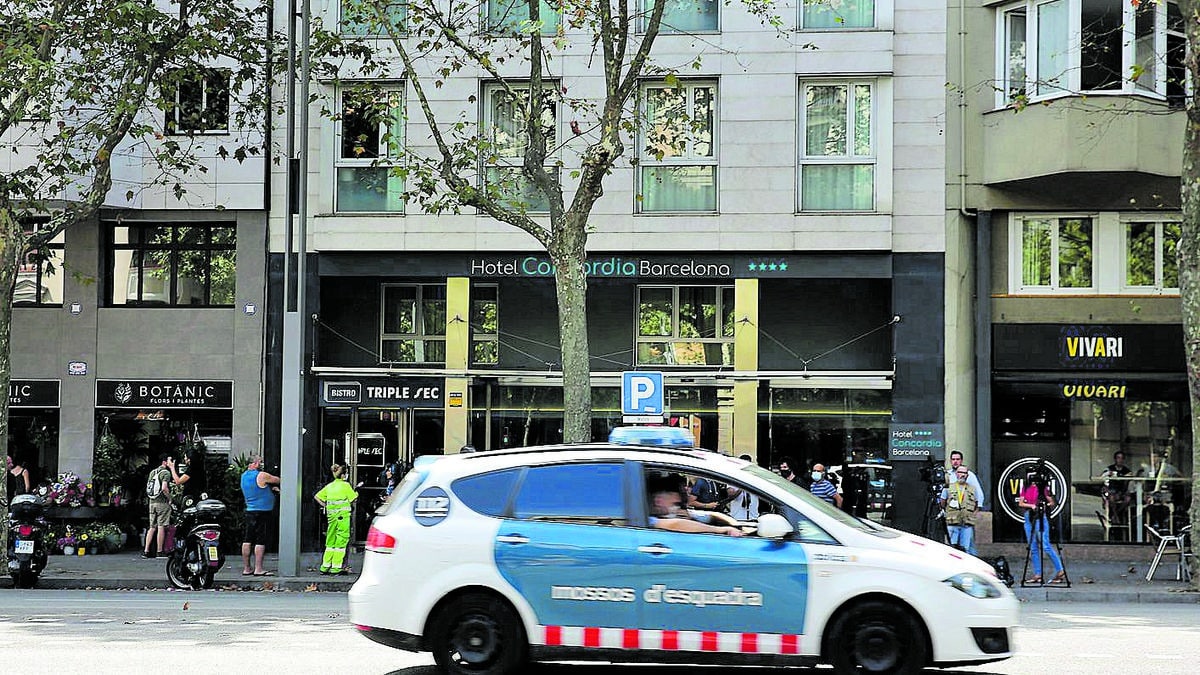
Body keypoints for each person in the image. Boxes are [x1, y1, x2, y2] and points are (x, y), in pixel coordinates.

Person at [647, 475, 743, 537]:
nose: (675, 509)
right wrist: (721, 530)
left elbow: (711, 515)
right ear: (659, 501)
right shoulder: (646, 520)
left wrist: (736, 525)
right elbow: (676, 524)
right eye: (675, 504)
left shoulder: (679, 513)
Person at [1017, 472, 1066, 585]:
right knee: (1033, 547)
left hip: (1040, 517)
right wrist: (1031, 505)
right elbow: (1020, 503)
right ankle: (1037, 574)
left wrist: (1043, 506)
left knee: (1045, 545)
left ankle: (1060, 570)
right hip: (1029, 516)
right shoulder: (1026, 487)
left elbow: (1052, 502)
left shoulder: (1043, 488)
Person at [315, 463, 359, 575]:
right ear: (343, 475)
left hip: (331, 517)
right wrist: (357, 493)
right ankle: (336, 567)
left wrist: (325, 506)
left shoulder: (330, 486)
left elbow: (317, 497)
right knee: (341, 541)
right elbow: (353, 499)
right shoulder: (345, 486)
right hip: (343, 517)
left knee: (330, 541)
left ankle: (325, 566)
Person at [240, 454, 280, 576]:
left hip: (250, 510)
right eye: (260, 462)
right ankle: (258, 568)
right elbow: (278, 480)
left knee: (247, 539)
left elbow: (257, 488)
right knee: (260, 540)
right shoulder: (262, 475)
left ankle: (247, 568)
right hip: (263, 512)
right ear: (256, 463)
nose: (261, 464)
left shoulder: (244, 476)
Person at [940, 466, 979, 554]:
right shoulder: (948, 487)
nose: (962, 475)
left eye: (964, 473)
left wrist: (972, 515)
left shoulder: (973, 489)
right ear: (956, 474)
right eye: (960, 472)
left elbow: (976, 504)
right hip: (952, 523)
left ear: (967, 475)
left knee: (966, 549)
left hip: (966, 524)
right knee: (951, 549)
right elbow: (942, 502)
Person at [143, 454, 173, 559]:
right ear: (164, 462)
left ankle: (146, 551)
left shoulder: (153, 472)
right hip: (162, 503)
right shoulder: (166, 473)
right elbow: (164, 488)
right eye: (169, 460)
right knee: (161, 526)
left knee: (152, 527)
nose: (171, 463)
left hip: (152, 502)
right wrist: (170, 498)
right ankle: (160, 551)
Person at [1101, 450, 1133, 526]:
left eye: (1122, 458)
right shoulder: (1110, 468)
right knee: (1111, 498)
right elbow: (1102, 477)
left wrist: (1128, 476)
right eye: (1118, 458)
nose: (1120, 460)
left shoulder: (1126, 470)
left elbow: (1131, 478)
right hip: (1112, 491)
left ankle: (1115, 515)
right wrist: (1108, 473)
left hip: (1122, 491)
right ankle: (1115, 516)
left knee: (1128, 499)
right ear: (1115, 459)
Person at [727, 455, 761, 521]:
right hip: (737, 517)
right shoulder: (733, 478)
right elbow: (731, 495)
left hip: (753, 517)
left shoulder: (755, 479)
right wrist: (743, 486)